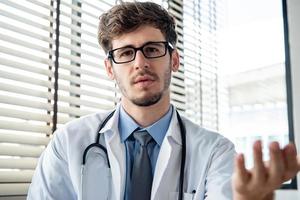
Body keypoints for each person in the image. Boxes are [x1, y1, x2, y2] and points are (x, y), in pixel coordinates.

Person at [27, 1, 300, 200]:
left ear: (175, 59)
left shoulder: (215, 152)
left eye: (152, 49)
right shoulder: (69, 142)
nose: (140, 63)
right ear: (110, 69)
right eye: (125, 53)